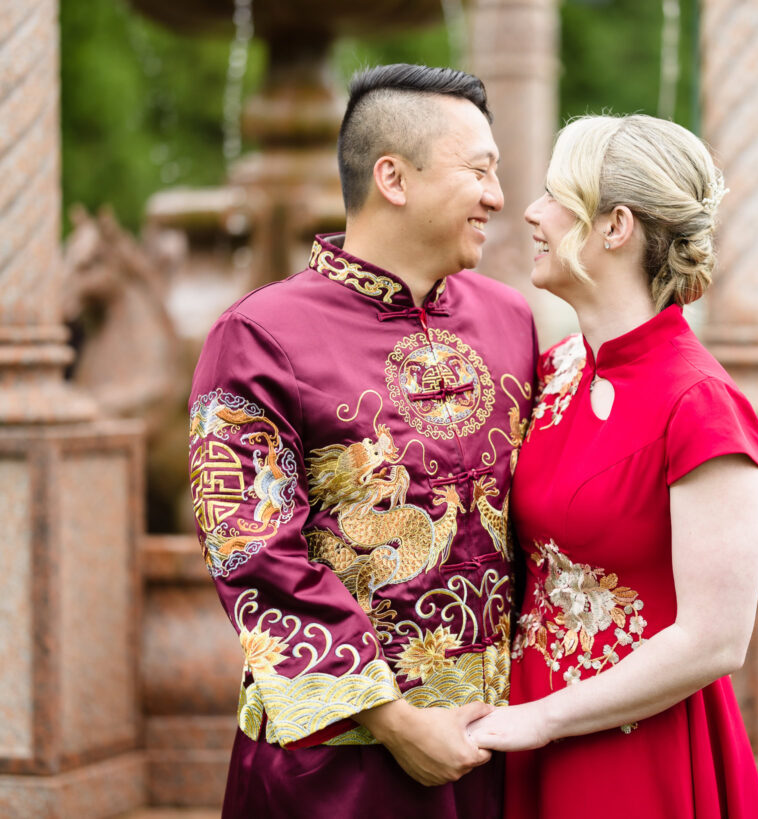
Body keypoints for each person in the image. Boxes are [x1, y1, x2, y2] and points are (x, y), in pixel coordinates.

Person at [187, 64, 537, 818]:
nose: (497, 197)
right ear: (393, 178)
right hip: (335, 762)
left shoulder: (514, 321)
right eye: (479, 171)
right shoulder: (259, 337)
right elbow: (251, 552)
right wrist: (395, 720)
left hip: (499, 748)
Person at [468, 114, 758, 817]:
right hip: (534, 729)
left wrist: (545, 717)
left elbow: (717, 638)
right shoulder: (558, 369)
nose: (532, 213)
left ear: (615, 226)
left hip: (636, 750)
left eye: (553, 194)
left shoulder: (701, 404)